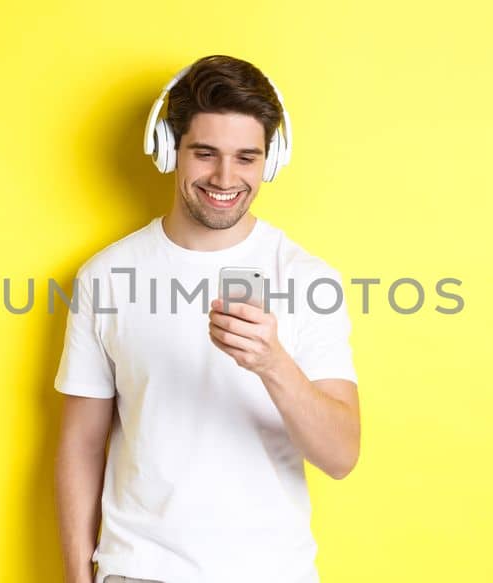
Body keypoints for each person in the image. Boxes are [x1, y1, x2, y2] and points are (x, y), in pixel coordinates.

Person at [54, 55, 361, 583]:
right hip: (139, 571)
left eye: (247, 157)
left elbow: (341, 456)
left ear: (272, 158)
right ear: (169, 150)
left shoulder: (309, 278)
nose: (225, 177)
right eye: (205, 153)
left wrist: (273, 363)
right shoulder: (106, 275)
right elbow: (81, 444)